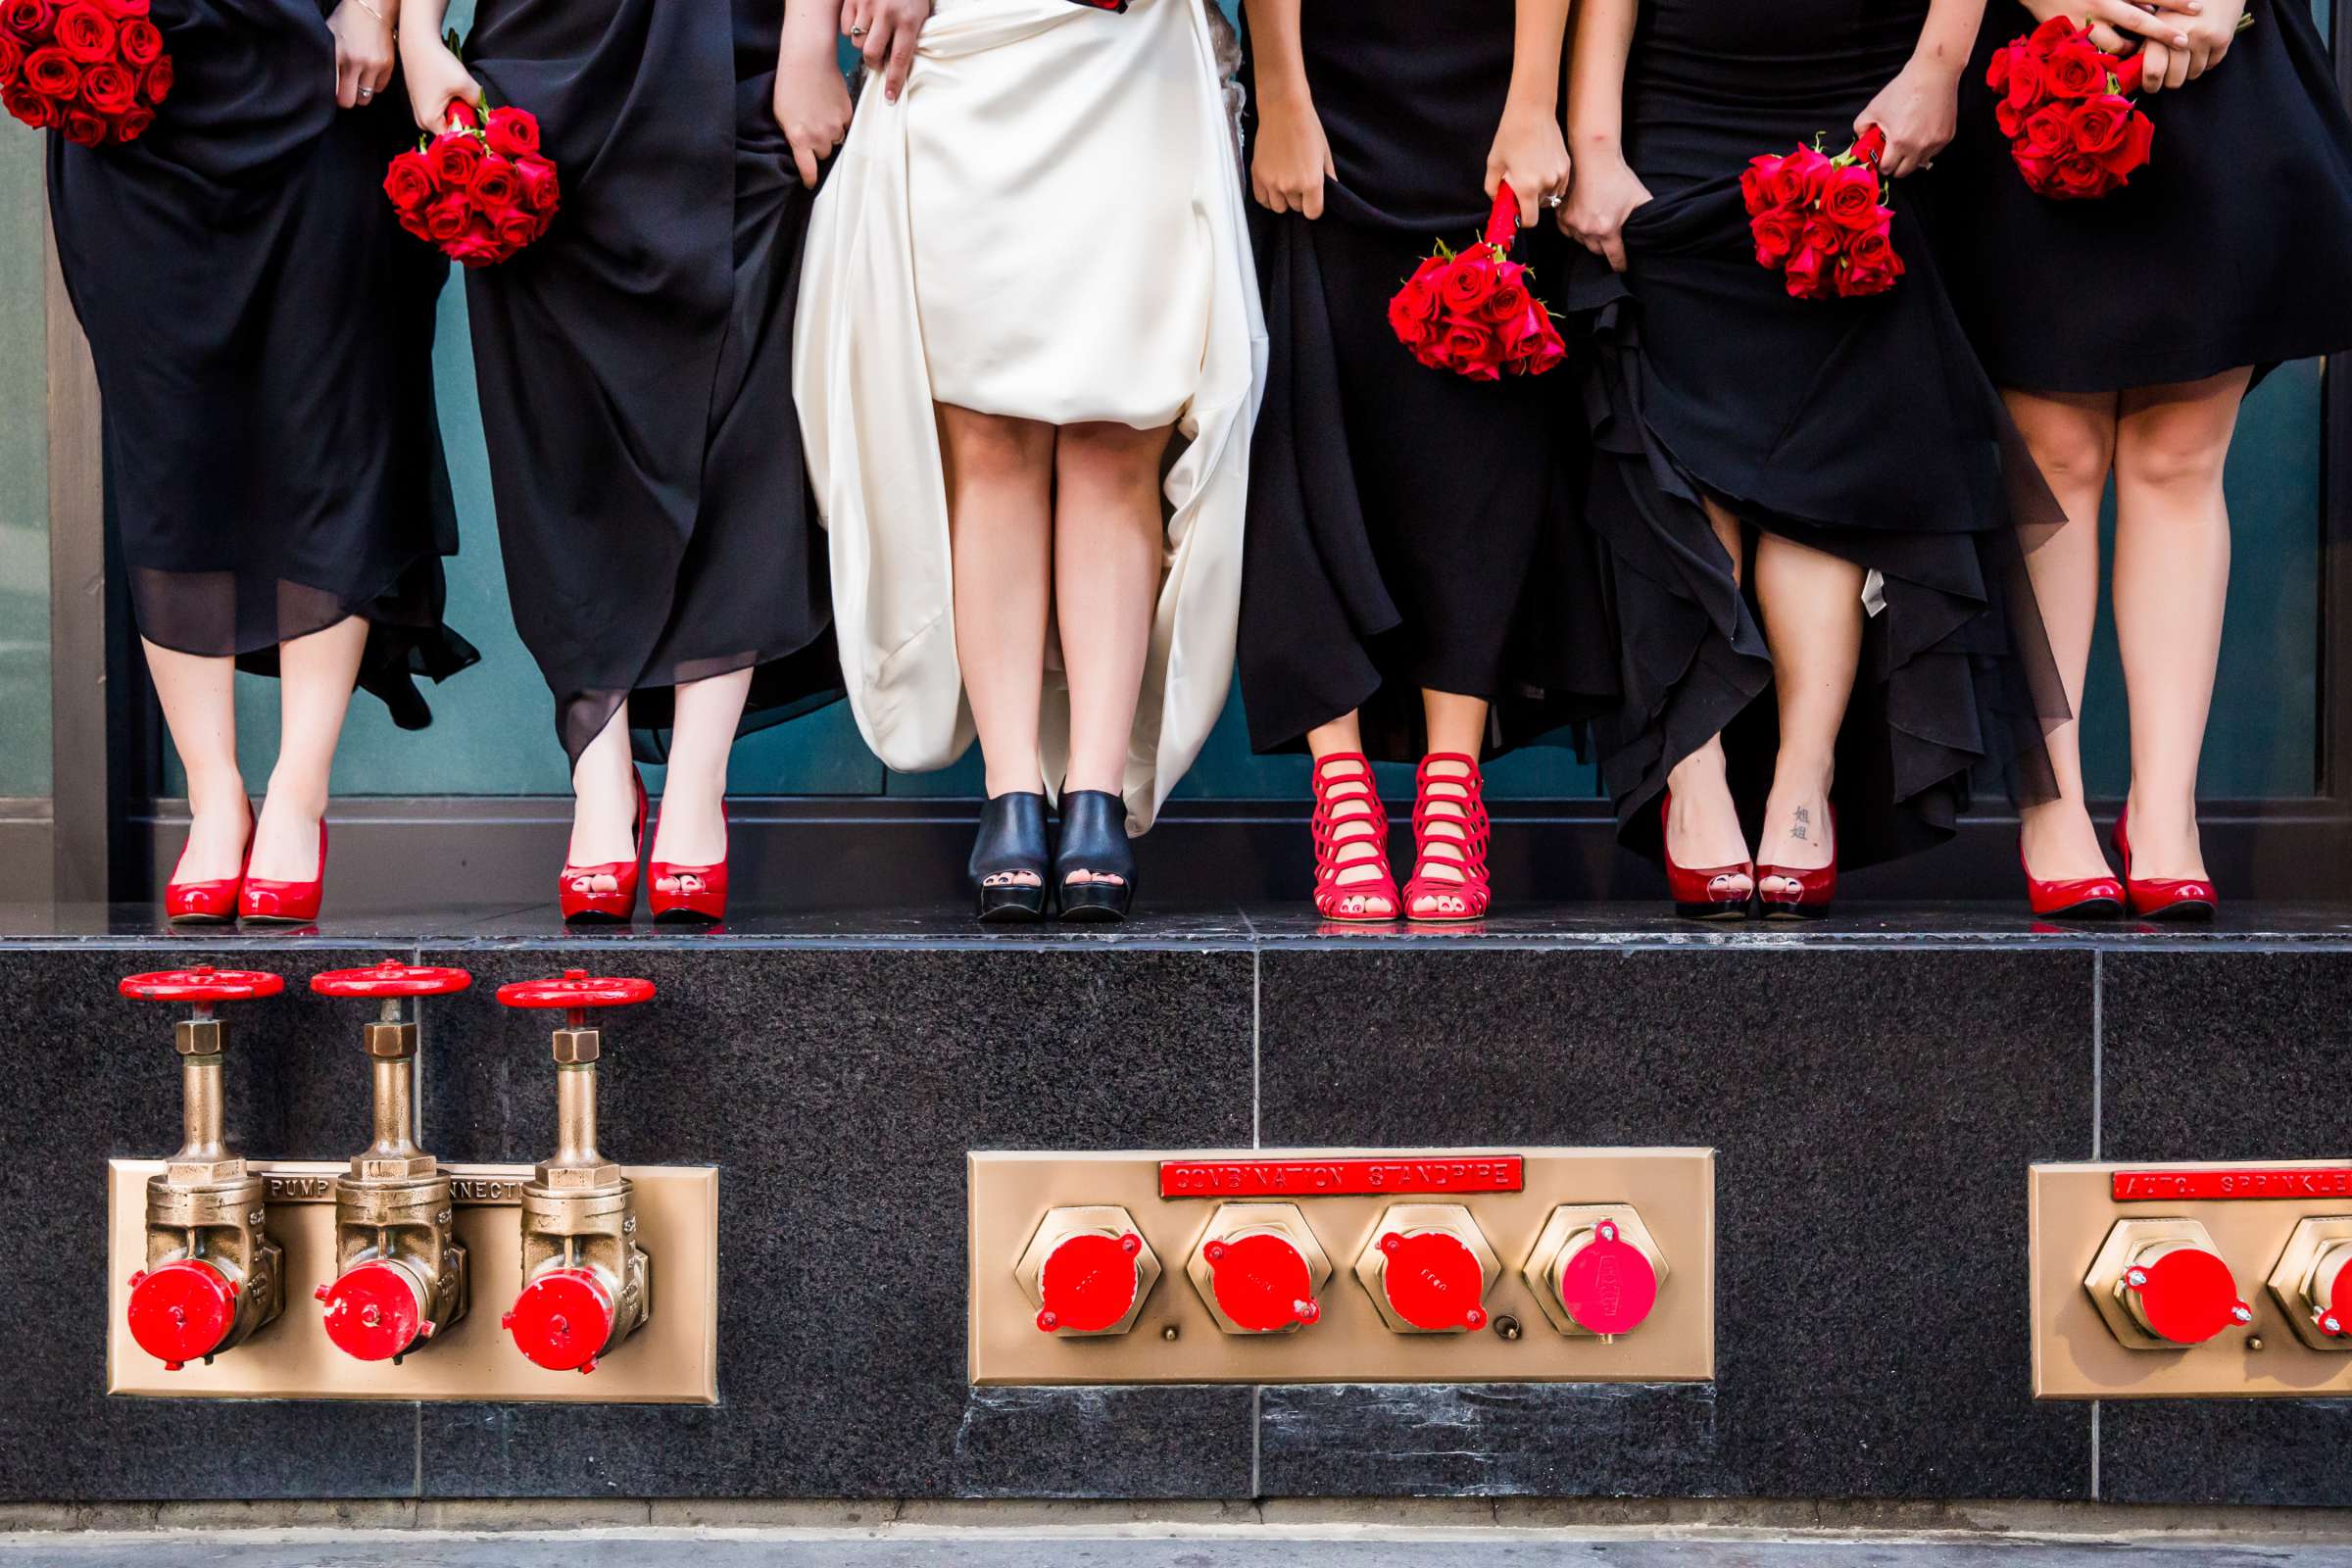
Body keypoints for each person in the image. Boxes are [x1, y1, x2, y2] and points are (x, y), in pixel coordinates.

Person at [400, 0, 919, 922]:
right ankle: (598, 776)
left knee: (744, 433)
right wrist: (413, 34)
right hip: (543, 68)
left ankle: (693, 787)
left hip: (738, 59)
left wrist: (807, 44)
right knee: (561, 445)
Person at [1559, 0, 2065, 917]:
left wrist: (1938, 65)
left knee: (1827, 460)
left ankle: (1805, 776)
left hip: (1861, 98)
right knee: (1672, 440)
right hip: (1677, 108)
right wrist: (1594, 143)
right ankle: (1695, 772)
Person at [797, 0, 1265, 922]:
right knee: (989, 437)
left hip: (1131, 53)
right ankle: (1011, 789)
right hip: (968, 47)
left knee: (1118, 429)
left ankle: (1093, 793)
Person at [49, 0, 474, 925]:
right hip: (132, 81)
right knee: (169, 445)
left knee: (335, 427)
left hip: (320, 64)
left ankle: (297, 793)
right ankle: (213, 796)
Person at [1933, 0, 2352, 918]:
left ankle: (2167, 811)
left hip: (2222, 62)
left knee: (2179, 455)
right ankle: (2054, 803)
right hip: (2034, 52)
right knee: (2053, 456)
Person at [1238, 0, 1612, 924]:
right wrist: (1283, 92)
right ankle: (1344, 790)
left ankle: (1453, 788)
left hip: (1487, 83)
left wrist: (1534, 100)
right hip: (1327, 83)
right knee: (1306, 413)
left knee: (1478, 434)